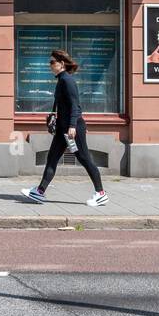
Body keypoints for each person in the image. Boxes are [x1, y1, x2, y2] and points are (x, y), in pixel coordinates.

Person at [22, 49, 108, 207]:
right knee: (52, 158)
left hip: (71, 128)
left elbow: (75, 105)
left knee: (84, 159)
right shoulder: (61, 80)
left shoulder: (67, 80)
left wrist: (73, 126)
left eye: (52, 62)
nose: (50, 65)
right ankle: (39, 191)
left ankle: (100, 193)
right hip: (63, 128)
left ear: (61, 64)